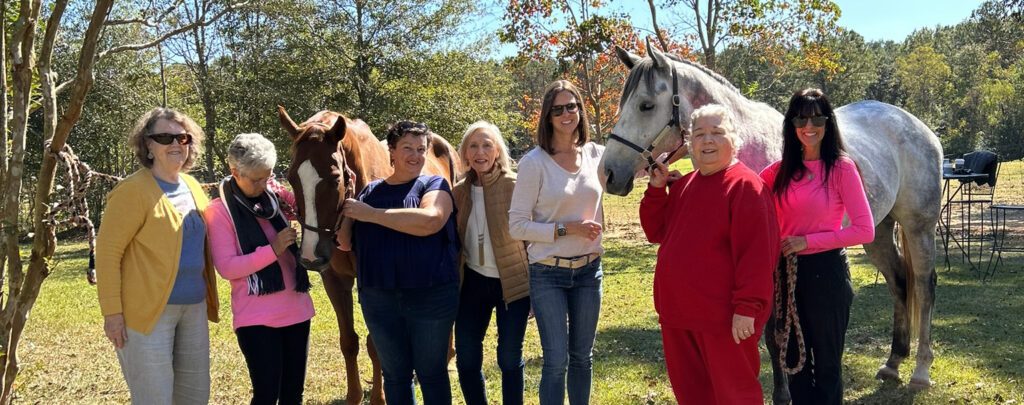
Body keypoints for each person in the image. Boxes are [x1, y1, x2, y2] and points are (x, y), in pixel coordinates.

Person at [639, 104, 778, 404]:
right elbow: (655, 231)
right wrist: (656, 189)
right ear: (690, 143)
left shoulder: (745, 186)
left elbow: (757, 256)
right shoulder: (685, 184)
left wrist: (747, 308)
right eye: (699, 134)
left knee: (734, 395)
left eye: (717, 132)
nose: (707, 141)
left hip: (723, 320)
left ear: (734, 139)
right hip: (679, 315)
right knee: (693, 396)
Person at [95, 108, 219, 404]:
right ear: (148, 144)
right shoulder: (131, 191)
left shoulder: (191, 186)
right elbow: (107, 253)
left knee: (194, 396)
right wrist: (112, 314)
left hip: (194, 308)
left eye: (182, 137)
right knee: (155, 398)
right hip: (147, 313)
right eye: (164, 137)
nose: (175, 144)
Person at [759, 88, 874, 405]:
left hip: (827, 274)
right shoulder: (777, 172)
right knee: (794, 365)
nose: (809, 126)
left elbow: (864, 230)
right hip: (786, 276)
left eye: (817, 118)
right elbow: (739, 192)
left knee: (826, 366)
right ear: (791, 124)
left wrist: (806, 241)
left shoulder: (841, 168)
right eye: (801, 118)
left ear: (828, 122)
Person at [336, 121, 459, 405]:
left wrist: (372, 214)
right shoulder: (368, 193)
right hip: (379, 299)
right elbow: (343, 242)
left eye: (421, 149)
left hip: (431, 295)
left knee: (431, 373)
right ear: (391, 151)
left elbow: (431, 221)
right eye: (407, 148)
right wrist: (350, 206)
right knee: (395, 376)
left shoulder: (434, 184)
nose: (415, 156)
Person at [509, 79, 605, 405]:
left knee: (583, 357)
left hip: (590, 273)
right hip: (548, 274)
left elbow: (634, 168)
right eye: (558, 109)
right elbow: (517, 226)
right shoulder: (533, 163)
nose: (566, 114)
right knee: (556, 361)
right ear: (547, 116)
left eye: (572, 106)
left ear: (580, 110)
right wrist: (569, 229)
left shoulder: (596, 155)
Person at [203, 133, 315, 405]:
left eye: (267, 176)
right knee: (266, 395)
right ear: (234, 172)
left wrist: (284, 192)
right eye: (256, 179)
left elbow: (306, 208)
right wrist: (273, 249)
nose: (263, 184)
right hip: (256, 319)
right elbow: (228, 267)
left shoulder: (274, 198)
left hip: (297, 310)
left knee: (293, 395)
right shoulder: (219, 211)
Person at [452, 121, 531, 405]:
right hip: (472, 283)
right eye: (473, 146)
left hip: (513, 285)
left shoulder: (515, 185)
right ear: (465, 154)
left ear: (497, 150)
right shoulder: (458, 191)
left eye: (487, 145)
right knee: (467, 358)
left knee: (509, 359)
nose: (480, 151)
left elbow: (532, 238)